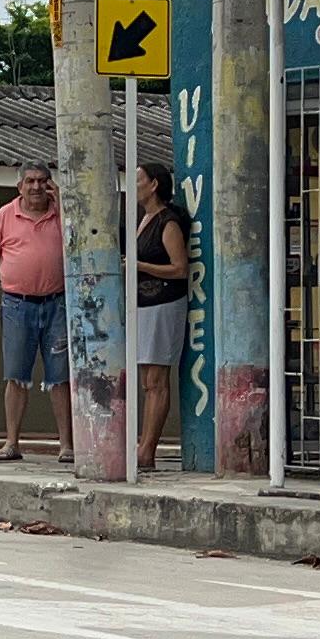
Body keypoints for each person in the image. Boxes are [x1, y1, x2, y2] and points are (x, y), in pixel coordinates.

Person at [0, 164, 69, 463]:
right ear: (20, 186)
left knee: (61, 377)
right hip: (17, 304)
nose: (36, 187)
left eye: (42, 181)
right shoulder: (5, 215)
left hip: (58, 304)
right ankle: (12, 442)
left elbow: (78, 241)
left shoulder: (60, 214)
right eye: (30, 181)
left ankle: (67, 445)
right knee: (16, 376)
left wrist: (63, 204)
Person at [131, 161, 196, 474]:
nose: (135, 185)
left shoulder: (167, 222)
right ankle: (143, 445)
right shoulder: (144, 219)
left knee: (157, 379)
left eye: (140, 179)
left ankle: (148, 449)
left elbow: (179, 268)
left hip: (164, 301)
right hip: (143, 303)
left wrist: (140, 267)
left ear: (154, 184)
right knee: (147, 380)